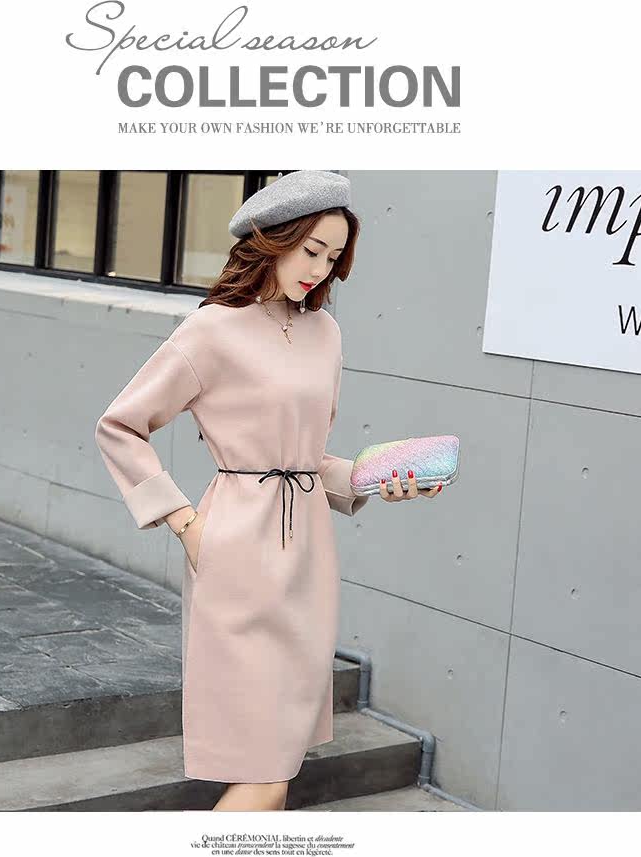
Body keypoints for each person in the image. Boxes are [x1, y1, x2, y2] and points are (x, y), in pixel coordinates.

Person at [94, 170, 441, 812]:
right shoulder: (212, 330)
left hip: (309, 560)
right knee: (264, 773)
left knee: (279, 765)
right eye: (311, 250)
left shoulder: (326, 334)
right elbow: (120, 426)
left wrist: (374, 478)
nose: (320, 269)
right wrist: (185, 522)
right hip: (236, 547)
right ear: (274, 239)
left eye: (333, 258)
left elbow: (306, 460)